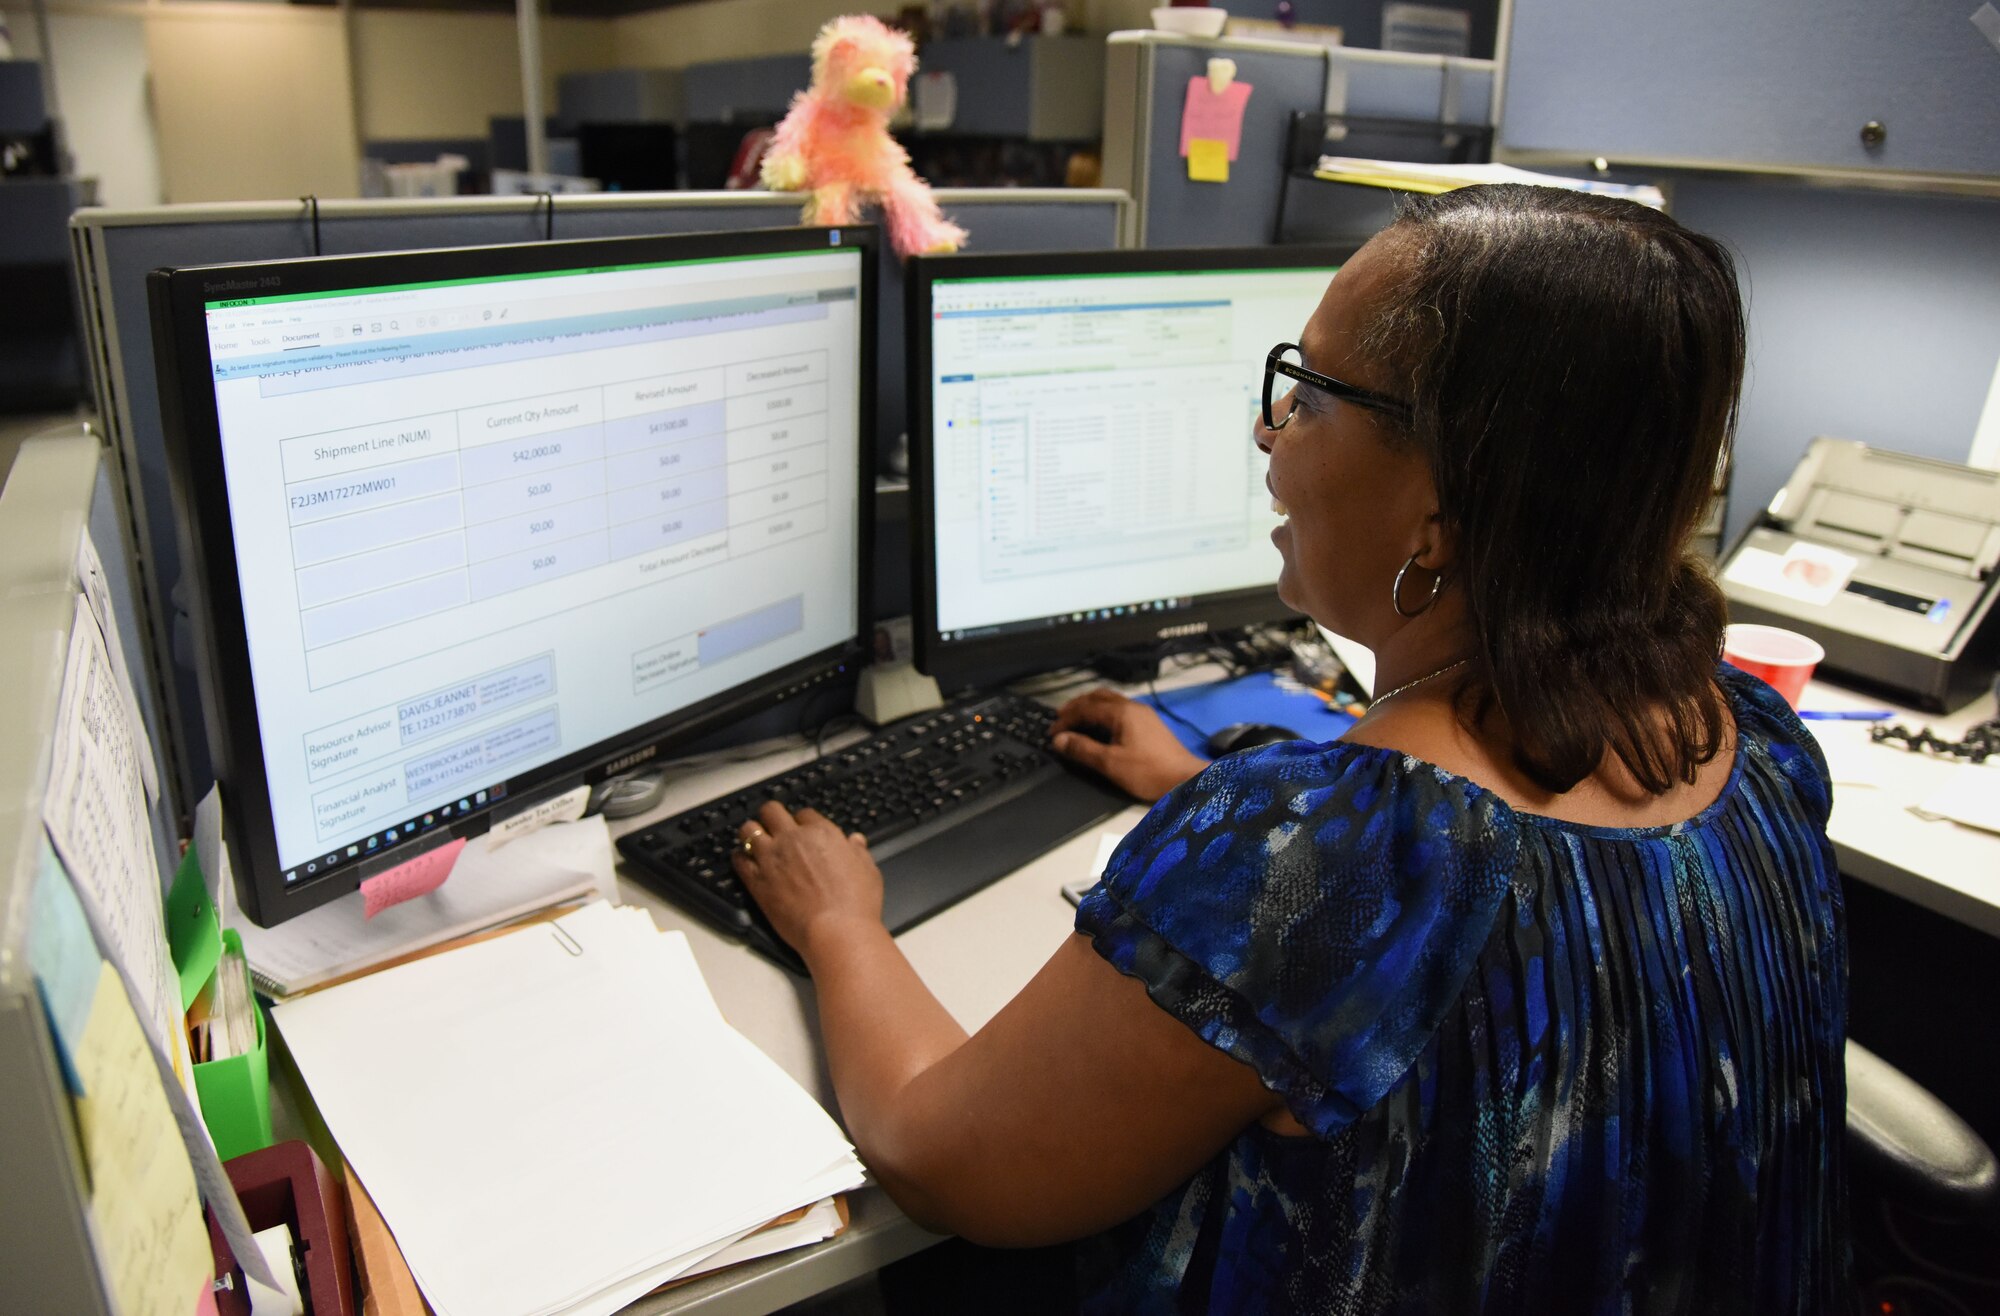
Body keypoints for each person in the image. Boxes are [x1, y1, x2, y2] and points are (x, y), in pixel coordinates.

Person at [729, 185, 1849, 1313]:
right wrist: (1222, 796)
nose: (1268, 428)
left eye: (1308, 394)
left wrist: (839, 924)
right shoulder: (1749, 742)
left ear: (1440, 513)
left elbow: (938, 1156)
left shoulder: (1325, 853)